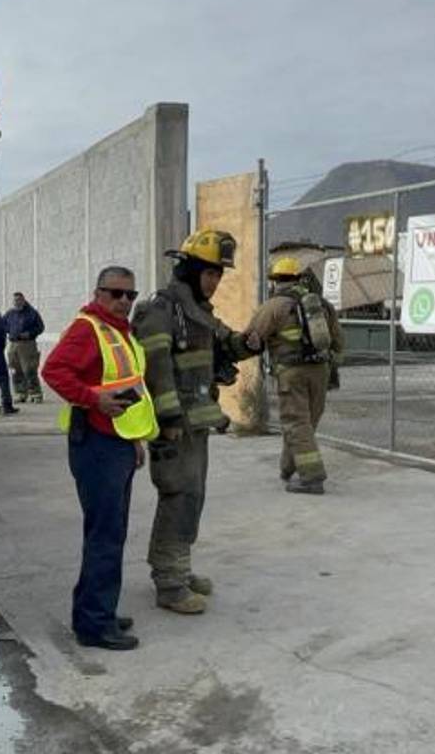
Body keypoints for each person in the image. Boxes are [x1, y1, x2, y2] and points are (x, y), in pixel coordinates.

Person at [131, 230, 260, 615]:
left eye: (218, 274)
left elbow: (225, 343)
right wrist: (168, 418)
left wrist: (250, 342)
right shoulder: (162, 309)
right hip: (175, 425)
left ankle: (179, 568)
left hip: (197, 423)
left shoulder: (198, 312)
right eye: (209, 273)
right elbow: (156, 368)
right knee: (178, 494)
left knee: (193, 495)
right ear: (189, 271)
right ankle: (169, 584)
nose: (215, 281)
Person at [41, 266, 158, 651]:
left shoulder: (119, 331)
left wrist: (134, 440)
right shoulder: (88, 328)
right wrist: (93, 399)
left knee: (111, 532)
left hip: (117, 442)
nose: (124, 301)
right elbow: (53, 371)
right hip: (96, 444)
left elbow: (129, 388)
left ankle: (97, 610)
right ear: (98, 293)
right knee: (105, 535)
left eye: (130, 295)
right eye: (115, 293)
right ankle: (94, 624)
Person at [246, 257, 343, 494]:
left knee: (296, 423)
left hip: (291, 373)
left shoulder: (273, 307)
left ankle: (312, 477)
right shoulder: (321, 304)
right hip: (320, 371)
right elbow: (338, 341)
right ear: (299, 279)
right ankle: (288, 467)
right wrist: (332, 367)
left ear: (275, 281)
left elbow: (251, 338)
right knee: (305, 423)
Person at [3, 292, 46, 403]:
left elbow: (40, 327)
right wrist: (10, 331)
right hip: (13, 344)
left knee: (29, 369)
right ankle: (20, 393)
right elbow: (3, 325)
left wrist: (30, 333)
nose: (17, 302)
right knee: (16, 370)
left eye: (19, 300)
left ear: (23, 300)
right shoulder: (10, 313)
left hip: (27, 345)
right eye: (15, 300)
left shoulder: (32, 313)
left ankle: (35, 393)